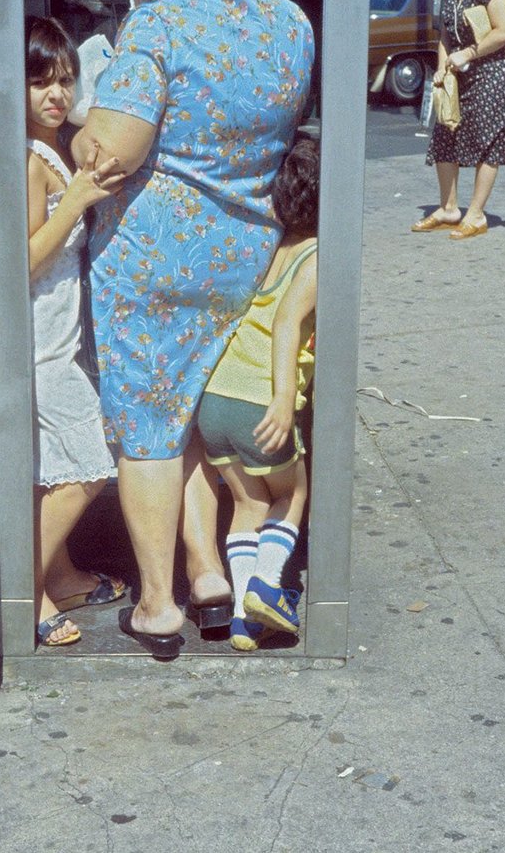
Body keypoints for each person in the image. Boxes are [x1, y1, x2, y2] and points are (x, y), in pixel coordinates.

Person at [71, 0, 314, 658]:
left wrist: (84, 122)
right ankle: (208, 571)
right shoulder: (289, 23)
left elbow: (113, 150)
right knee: (194, 418)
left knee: (148, 429)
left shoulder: (159, 27)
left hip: (154, 261)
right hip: (244, 253)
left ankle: (156, 604)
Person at [24, 15, 128, 647]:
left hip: (59, 342)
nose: (56, 95)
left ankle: (60, 576)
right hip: (38, 348)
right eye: (41, 83)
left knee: (59, 464)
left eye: (65, 81)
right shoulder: (31, 160)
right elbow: (24, 258)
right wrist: (75, 201)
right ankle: (26, 585)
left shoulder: (52, 150)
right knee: (88, 465)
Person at [197, 137, 318, 651]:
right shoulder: (317, 257)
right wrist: (284, 400)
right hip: (256, 402)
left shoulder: (270, 248)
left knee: (248, 504)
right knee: (293, 493)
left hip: (216, 401)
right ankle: (269, 586)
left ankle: (248, 622)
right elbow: (289, 323)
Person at [412, 0, 505, 239]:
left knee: (487, 140)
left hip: (492, 75)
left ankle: (475, 215)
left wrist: (470, 53)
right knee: (445, 135)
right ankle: (449, 207)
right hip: (461, 75)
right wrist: (442, 67)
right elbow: (446, 35)